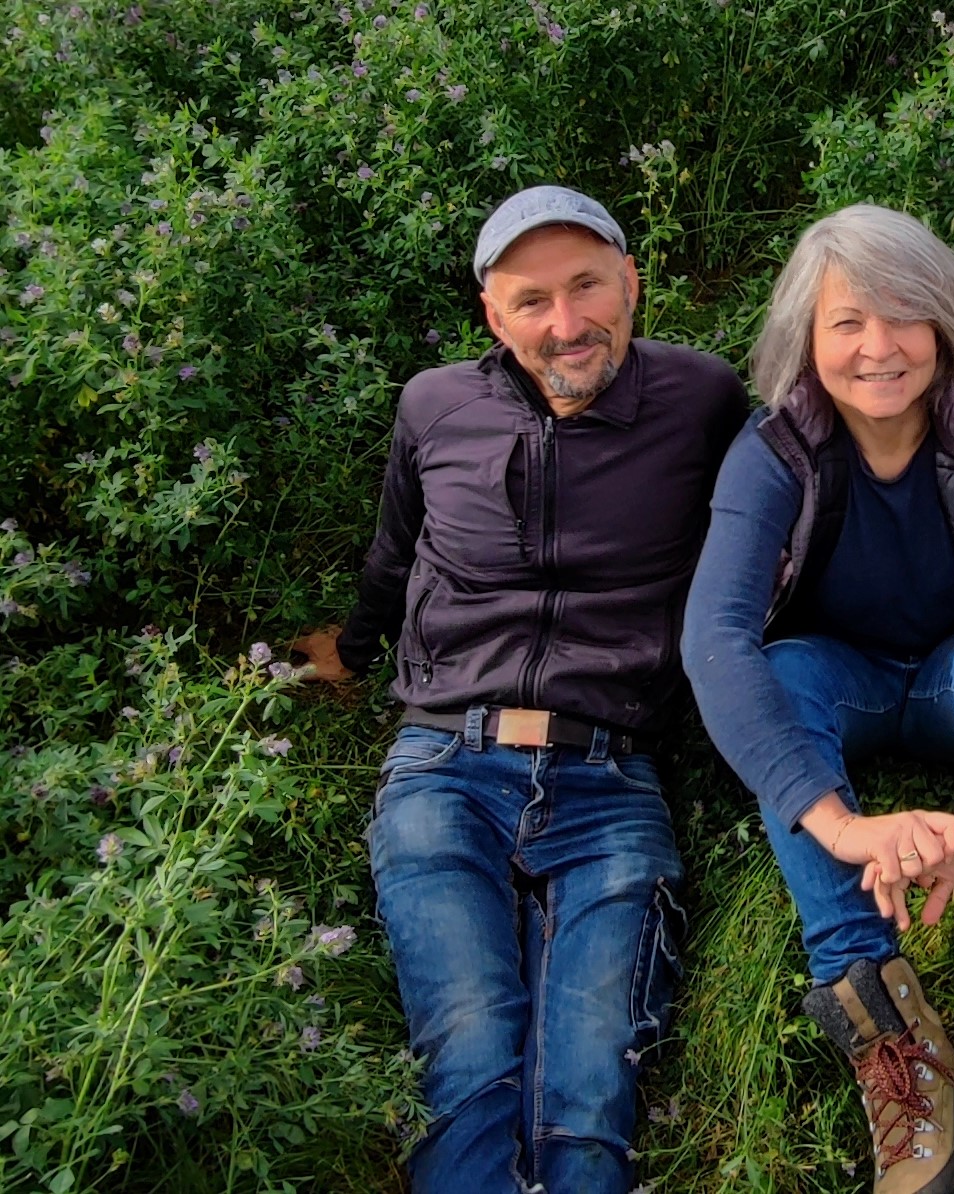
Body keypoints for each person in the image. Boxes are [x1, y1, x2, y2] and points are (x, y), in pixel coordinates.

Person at [292, 184, 747, 1194]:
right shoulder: (434, 404)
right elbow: (392, 555)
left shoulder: (705, 399)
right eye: (531, 300)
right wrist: (353, 654)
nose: (566, 322)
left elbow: (784, 530)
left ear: (632, 283)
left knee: (588, 1099)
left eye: (587, 287)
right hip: (443, 769)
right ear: (494, 316)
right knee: (469, 1061)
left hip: (610, 779)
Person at [682, 204, 954, 1194]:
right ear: (807, 336)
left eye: (904, 315)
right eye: (847, 323)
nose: (879, 349)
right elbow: (715, 636)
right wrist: (839, 828)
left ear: (946, 320)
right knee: (779, 681)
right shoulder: (773, 448)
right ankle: (889, 1034)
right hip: (842, 674)